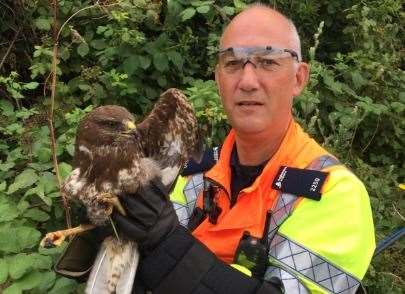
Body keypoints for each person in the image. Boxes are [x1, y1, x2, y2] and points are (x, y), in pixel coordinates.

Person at [57, 3, 375, 294]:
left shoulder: (337, 193)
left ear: (299, 78)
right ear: (218, 78)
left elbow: (162, 246)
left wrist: (165, 243)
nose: (248, 80)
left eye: (267, 61)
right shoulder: (194, 173)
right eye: (233, 63)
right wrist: (106, 222)